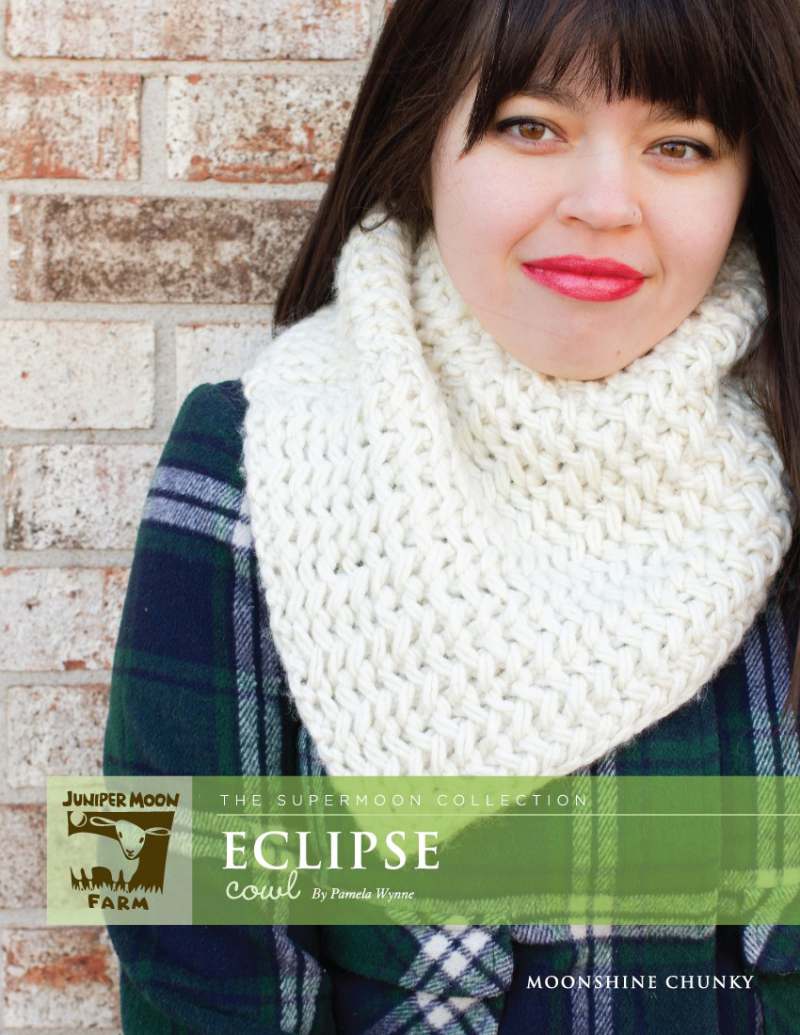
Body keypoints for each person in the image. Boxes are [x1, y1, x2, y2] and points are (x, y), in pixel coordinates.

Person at [103, 0, 800, 1030]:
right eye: (531, 126)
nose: (604, 204)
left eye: (679, 145)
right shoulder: (241, 455)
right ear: (418, 140)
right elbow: (153, 902)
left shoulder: (785, 457)